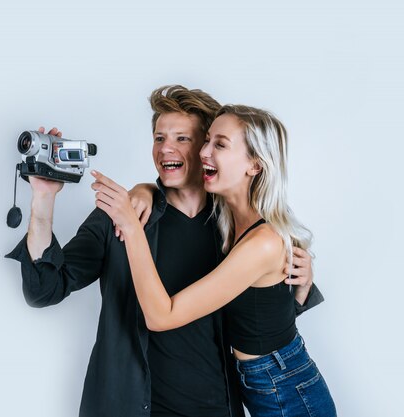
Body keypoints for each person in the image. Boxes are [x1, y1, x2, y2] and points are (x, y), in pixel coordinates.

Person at [5, 86, 323, 417]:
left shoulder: (232, 226)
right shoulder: (121, 217)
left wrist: (301, 285)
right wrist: (43, 199)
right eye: (159, 138)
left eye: (182, 139)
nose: (165, 148)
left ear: (206, 148)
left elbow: (259, 319)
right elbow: (43, 289)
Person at [91, 104, 337, 417]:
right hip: (257, 385)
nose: (203, 152)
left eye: (219, 145)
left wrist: (131, 226)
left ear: (254, 166)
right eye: (206, 140)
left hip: (287, 390)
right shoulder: (222, 218)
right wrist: (146, 189)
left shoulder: (261, 243)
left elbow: (161, 316)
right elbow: (260, 308)